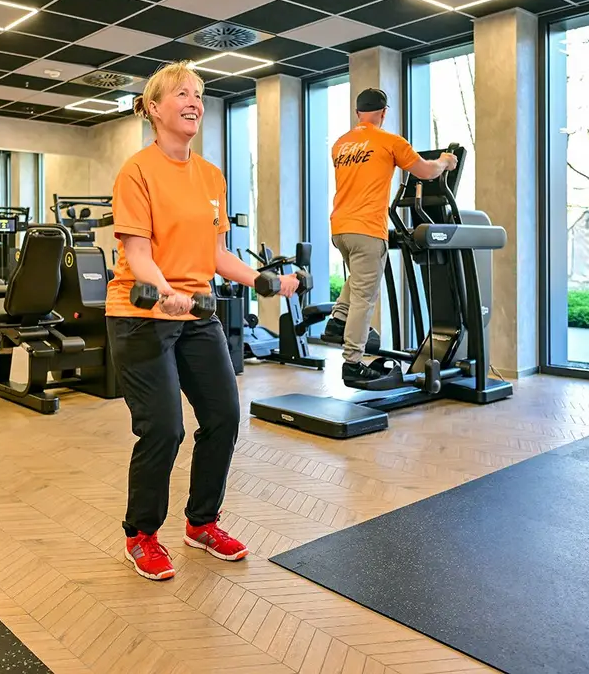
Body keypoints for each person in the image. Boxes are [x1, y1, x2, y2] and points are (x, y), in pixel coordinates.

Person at [106, 60, 299, 581]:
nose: (194, 101)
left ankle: (202, 523)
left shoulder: (211, 176)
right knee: (164, 428)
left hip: (196, 313)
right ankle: (141, 535)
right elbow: (138, 254)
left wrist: (263, 280)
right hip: (140, 314)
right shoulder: (137, 171)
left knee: (223, 416)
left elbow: (216, 254)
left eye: (199, 94)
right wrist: (166, 294)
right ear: (153, 108)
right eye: (182, 94)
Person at [321, 88, 458, 384]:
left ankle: (338, 321)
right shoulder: (390, 141)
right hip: (368, 227)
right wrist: (445, 161)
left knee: (359, 280)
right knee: (365, 296)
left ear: (358, 113)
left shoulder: (340, 145)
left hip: (341, 228)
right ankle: (352, 363)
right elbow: (425, 171)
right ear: (383, 112)